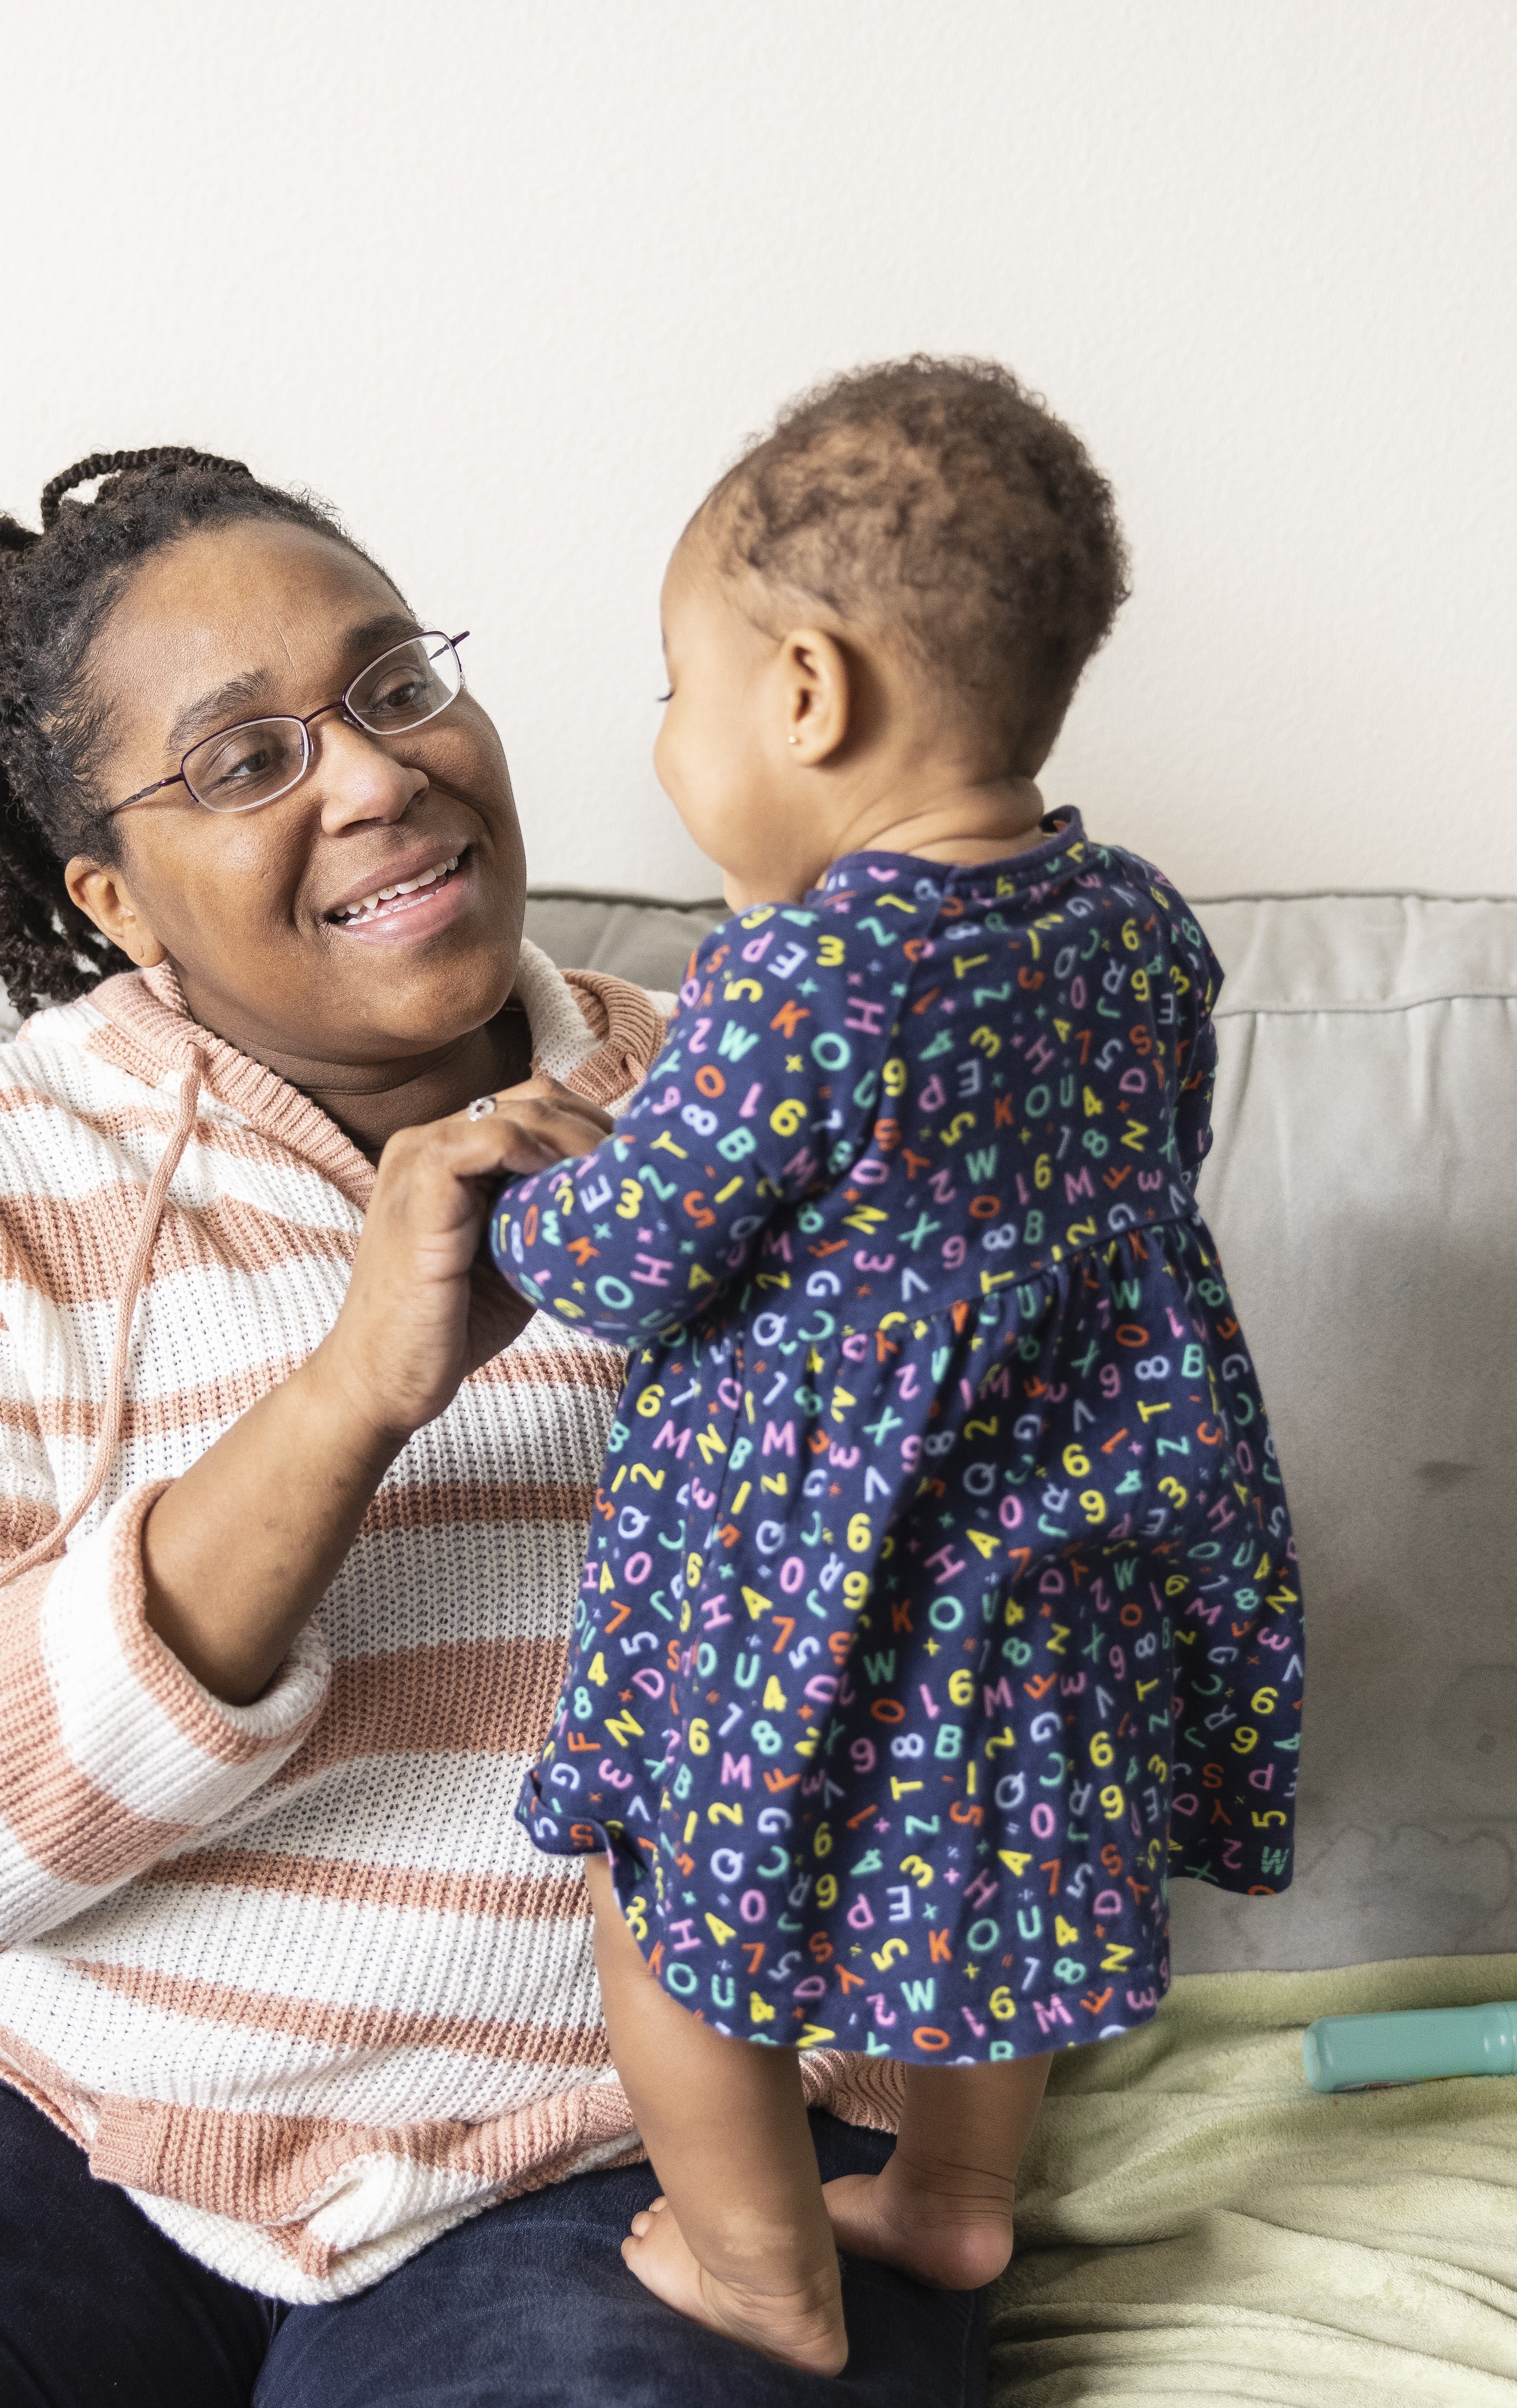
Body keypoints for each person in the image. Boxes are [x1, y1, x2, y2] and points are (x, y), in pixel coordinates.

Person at [0, 448, 985, 2406]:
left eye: (396, 685)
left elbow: (1001, 1625)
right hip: (11, 2085)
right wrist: (356, 1393)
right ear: (113, 899)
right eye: (244, 761)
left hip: (637, 2133)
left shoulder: (774, 1101)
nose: (377, 773)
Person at [487, 360, 1303, 2375]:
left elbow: (634, 1257)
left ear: (803, 692)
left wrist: (536, 1196)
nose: (668, 741)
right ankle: (950, 2204)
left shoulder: (806, 982)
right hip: (1060, 1560)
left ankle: (759, 2261)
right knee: (999, 1885)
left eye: (677, 691)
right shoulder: (1135, 931)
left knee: (673, 1903)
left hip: (813, 1580)